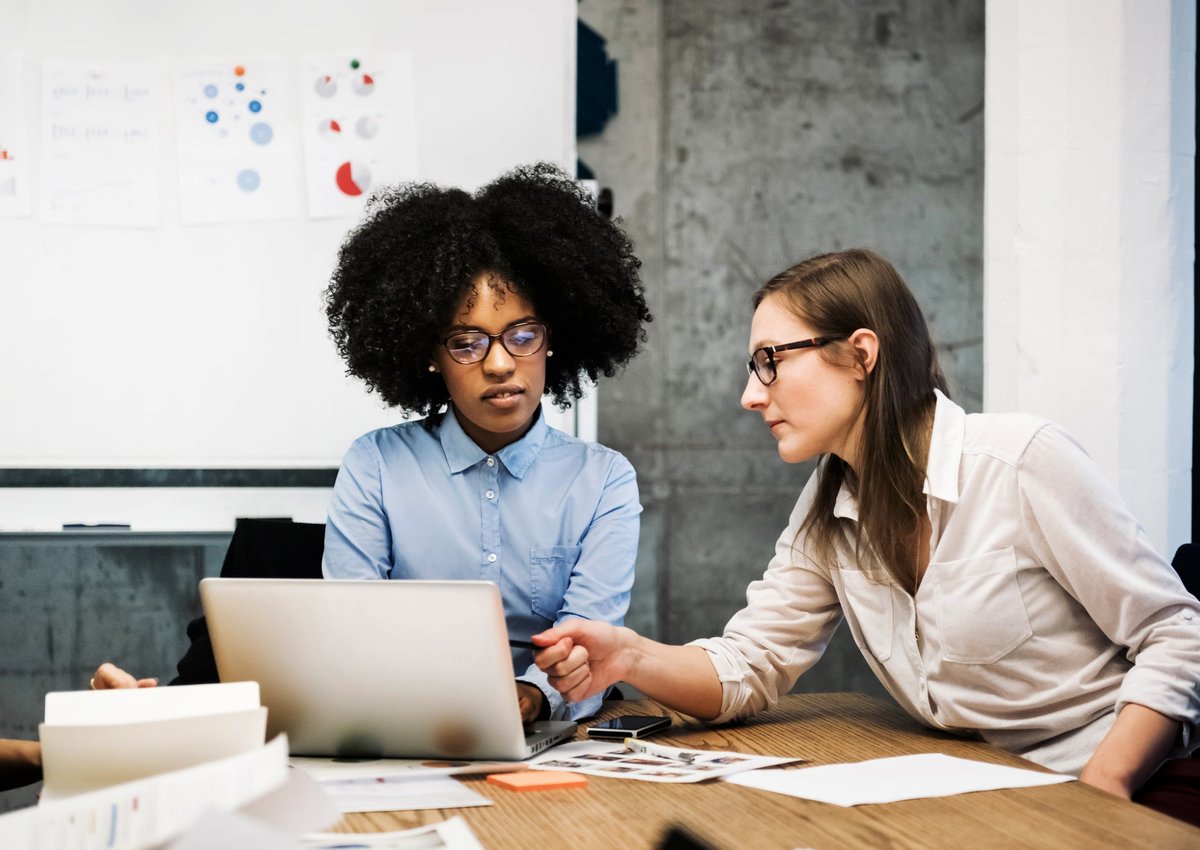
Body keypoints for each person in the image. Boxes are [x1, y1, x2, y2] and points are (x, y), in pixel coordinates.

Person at [532, 248, 1200, 824]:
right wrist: (627, 656)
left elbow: (1179, 635)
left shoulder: (1020, 461)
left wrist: (1105, 784)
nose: (750, 394)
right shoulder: (827, 504)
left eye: (768, 361)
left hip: (1131, 790)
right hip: (985, 792)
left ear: (860, 354)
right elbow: (750, 665)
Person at [91, 164, 651, 727]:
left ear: (554, 339)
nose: (501, 363)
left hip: (553, 736)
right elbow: (350, 634)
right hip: (403, 725)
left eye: (523, 335)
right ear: (428, 355)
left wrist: (530, 698)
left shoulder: (603, 480)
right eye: (466, 343)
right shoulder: (377, 464)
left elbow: (592, 649)